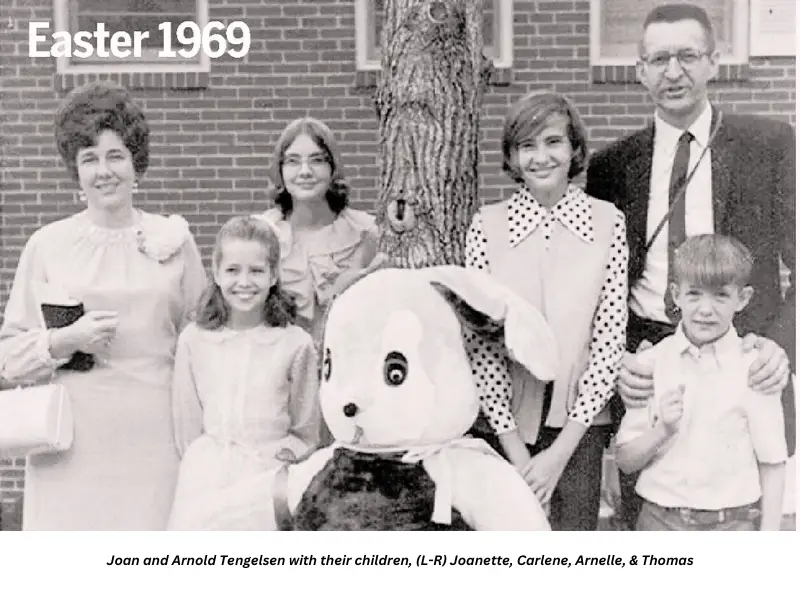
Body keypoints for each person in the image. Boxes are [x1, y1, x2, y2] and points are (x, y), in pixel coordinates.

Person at [584, 2, 794, 530]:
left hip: (742, 360)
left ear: (713, 62)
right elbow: (603, 287)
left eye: (686, 55)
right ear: (639, 71)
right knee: (653, 524)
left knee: (741, 524)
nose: (672, 71)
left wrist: (783, 345)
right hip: (651, 366)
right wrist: (620, 361)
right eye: (658, 59)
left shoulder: (767, 145)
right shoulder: (612, 167)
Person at [0, 81, 207, 530]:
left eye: (116, 155)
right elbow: (8, 357)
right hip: (71, 446)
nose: (104, 170)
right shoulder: (47, 246)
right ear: (76, 171)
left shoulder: (174, 242)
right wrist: (64, 340)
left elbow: (207, 342)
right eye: (89, 158)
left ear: (137, 165)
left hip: (158, 441)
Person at [465, 90, 629, 530]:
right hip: (503, 428)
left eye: (553, 142)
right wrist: (516, 451)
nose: (541, 157)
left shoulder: (608, 222)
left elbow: (609, 339)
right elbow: (481, 343)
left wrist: (560, 454)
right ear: (513, 158)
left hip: (579, 430)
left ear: (574, 149)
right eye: (527, 146)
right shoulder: (487, 226)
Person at [615, 234, 787, 531]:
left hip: (732, 526)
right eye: (694, 294)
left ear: (743, 299)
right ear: (675, 294)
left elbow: (772, 463)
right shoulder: (651, 363)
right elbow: (625, 460)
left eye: (720, 295)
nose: (705, 309)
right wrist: (662, 430)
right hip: (659, 522)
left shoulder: (755, 367)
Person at [167, 216, 320, 531]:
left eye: (257, 271)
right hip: (206, 479)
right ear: (217, 273)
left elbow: (307, 431)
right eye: (233, 270)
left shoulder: (295, 343)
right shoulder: (194, 340)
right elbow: (187, 425)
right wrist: (206, 466)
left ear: (274, 275)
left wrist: (279, 463)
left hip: (268, 478)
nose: (244, 282)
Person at [257, 117, 381, 346]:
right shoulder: (261, 235)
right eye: (293, 161)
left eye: (317, 160)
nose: (305, 172)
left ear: (333, 167)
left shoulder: (366, 235)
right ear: (279, 170)